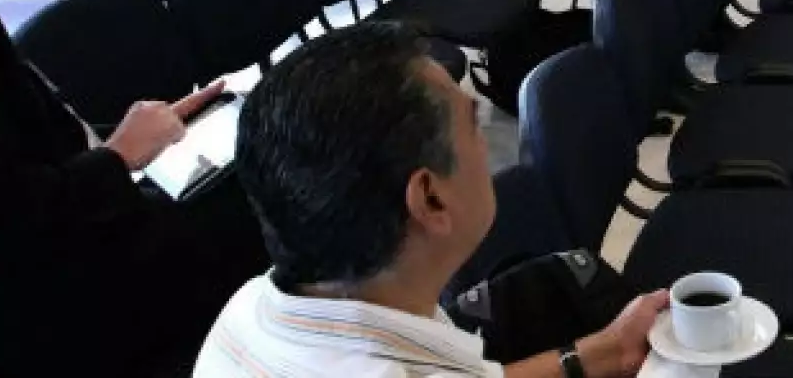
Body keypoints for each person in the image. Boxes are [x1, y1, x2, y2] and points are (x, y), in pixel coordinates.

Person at [195, 21, 669, 377]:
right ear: (430, 199)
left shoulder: (252, 306)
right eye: (472, 123)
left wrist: (609, 350)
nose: (487, 145)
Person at [0, 0, 268, 375]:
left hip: (75, 223)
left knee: (257, 176)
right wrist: (117, 157)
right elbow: (10, 222)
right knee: (256, 216)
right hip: (42, 296)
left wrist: (126, 138)